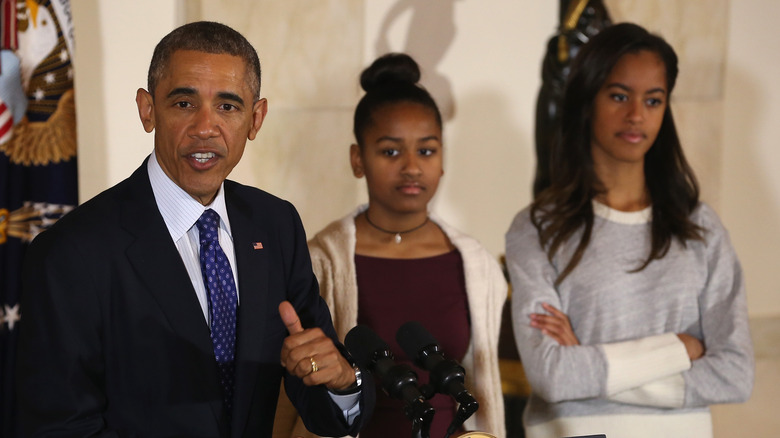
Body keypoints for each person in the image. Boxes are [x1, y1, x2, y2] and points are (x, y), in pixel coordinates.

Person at [16, 21, 374, 438]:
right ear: (148, 110)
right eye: (184, 103)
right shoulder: (72, 251)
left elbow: (317, 388)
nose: (206, 127)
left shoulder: (275, 225)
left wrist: (342, 384)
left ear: (255, 120)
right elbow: (59, 426)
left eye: (228, 106)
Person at [505, 22, 754, 438]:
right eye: (619, 96)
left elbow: (735, 374)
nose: (636, 115)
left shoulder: (700, 226)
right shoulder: (538, 227)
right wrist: (679, 348)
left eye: (653, 100)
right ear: (588, 100)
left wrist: (586, 361)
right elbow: (552, 377)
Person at [277, 53, 506, 438]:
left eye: (427, 150)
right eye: (390, 151)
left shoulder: (475, 264)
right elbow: (290, 388)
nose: (412, 167)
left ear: (443, 159)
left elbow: (481, 388)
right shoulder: (320, 260)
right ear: (358, 159)